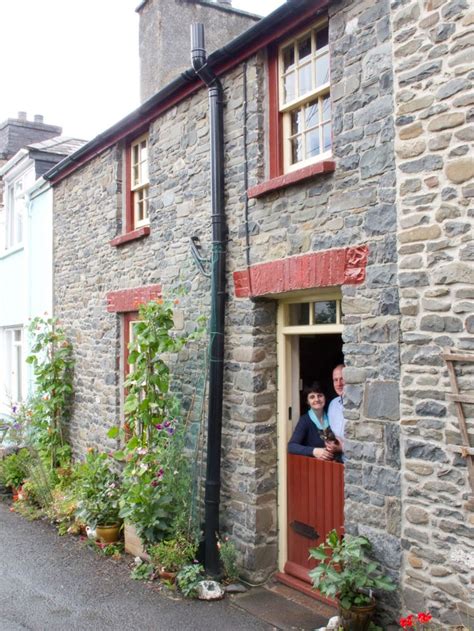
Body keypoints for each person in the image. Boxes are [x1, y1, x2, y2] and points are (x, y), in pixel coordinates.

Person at [288, 382, 335, 460]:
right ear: (307, 401)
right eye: (312, 397)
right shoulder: (305, 420)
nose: (317, 399)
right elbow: (291, 446)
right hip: (315, 466)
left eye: (320, 395)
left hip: (335, 465)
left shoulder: (332, 415)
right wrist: (314, 451)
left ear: (325, 397)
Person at [327, 364, 345, 454]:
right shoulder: (333, 404)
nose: (339, 384)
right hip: (334, 459)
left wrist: (343, 447)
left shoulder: (360, 407)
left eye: (342, 379)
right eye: (335, 380)